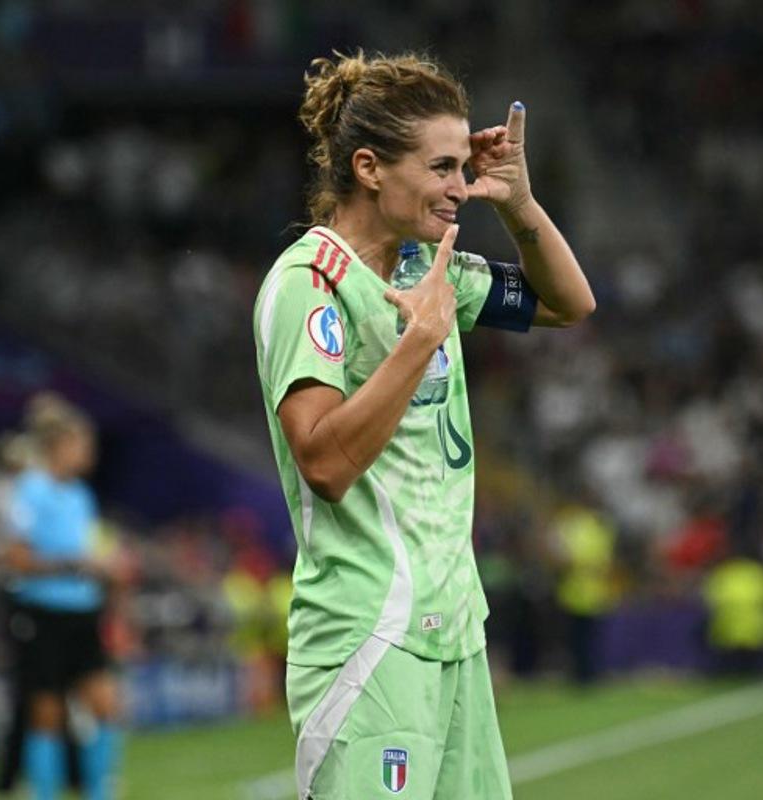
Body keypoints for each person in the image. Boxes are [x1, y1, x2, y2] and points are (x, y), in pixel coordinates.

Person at [252, 50, 594, 799]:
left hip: (454, 631)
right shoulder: (308, 285)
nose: (459, 187)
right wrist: (419, 345)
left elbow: (571, 305)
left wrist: (519, 204)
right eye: (442, 167)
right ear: (370, 168)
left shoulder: (426, 268)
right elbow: (323, 463)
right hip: (367, 639)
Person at [2, 409, 120, 800]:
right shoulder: (30, 490)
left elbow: (89, 552)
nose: (89, 453)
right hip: (43, 615)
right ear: (58, 447)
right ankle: (45, 793)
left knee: (106, 704)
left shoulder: (81, 495)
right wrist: (73, 564)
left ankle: (99, 791)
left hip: (83, 613)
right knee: (47, 714)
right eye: (82, 444)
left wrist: (104, 568)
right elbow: (15, 559)